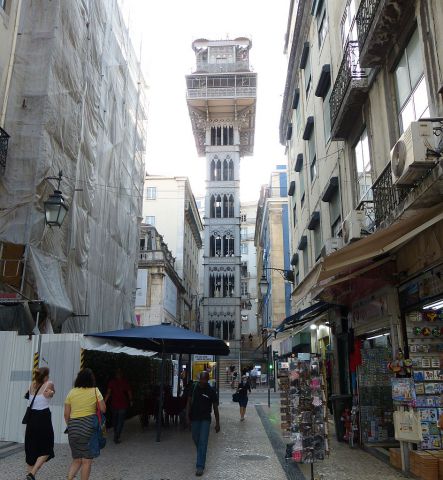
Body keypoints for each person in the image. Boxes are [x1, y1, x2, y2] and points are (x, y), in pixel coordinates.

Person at [64, 368, 106, 480]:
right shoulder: (95, 391)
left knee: (77, 459)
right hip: (88, 428)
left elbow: (66, 415)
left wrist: (71, 426)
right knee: (87, 461)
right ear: (91, 379)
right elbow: (103, 409)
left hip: (73, 429)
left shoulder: (71, 392)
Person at [186, 371, 220, 477]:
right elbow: (189, 402)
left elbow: (215, 407)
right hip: (195, 418)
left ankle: (200, 466)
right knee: (196, 438)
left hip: (206, 419)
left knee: (203, 442)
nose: (204, 381)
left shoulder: (211, 391)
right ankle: (201, 452)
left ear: (208, 379)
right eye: (202, 379)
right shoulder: (194, 387)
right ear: (199, 378)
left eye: (206, 379)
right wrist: (187, 416)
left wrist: (218, 422)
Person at [24, 367, 55, 480]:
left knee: (31, 448)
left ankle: (30, 475)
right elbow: (51, 392)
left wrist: (50, 393)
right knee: (47, 447)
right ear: (45, 376)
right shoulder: (49, 383)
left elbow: (27, 396)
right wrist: (51, 393)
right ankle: (32, 473)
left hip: (31, 419)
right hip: (43, 418)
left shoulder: (32, 384)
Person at [104, 368, 133, 443]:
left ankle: (116, 434)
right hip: (122, 405)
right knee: (120, 421)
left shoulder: (112, 382)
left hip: (114, 404)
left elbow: (108, 393)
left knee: (115, 420)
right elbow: (129, 392)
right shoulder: (124, 382)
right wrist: (131, 401)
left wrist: (104, 402)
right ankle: (117, 435)